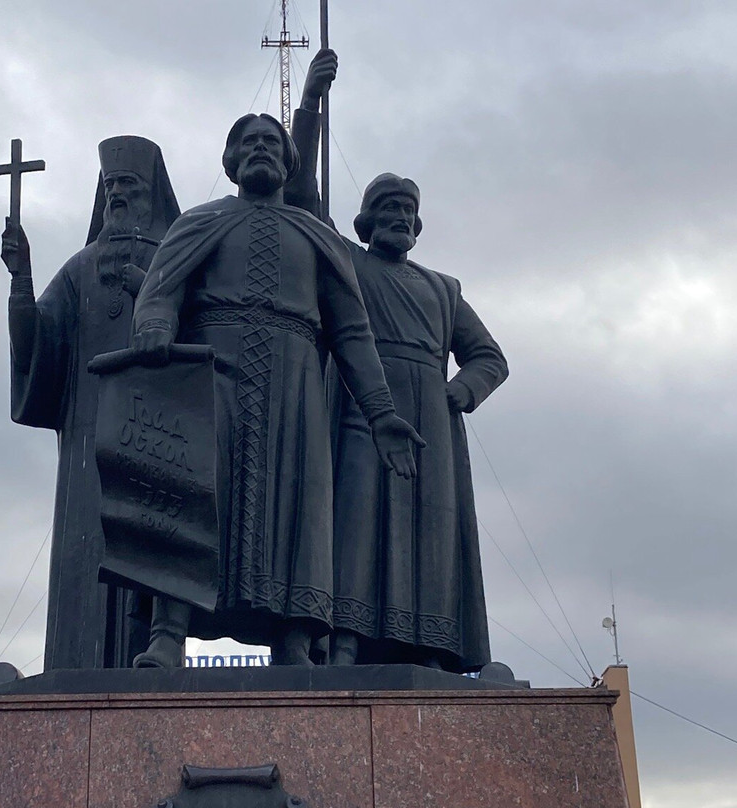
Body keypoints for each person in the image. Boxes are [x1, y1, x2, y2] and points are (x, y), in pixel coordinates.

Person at [127, 113, 424, 667]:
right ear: (231, 160)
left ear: (288, 161)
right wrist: (154, 329)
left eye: (271, 142)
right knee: (193, 497)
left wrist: (381, 413)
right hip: (211, 372)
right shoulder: (199, 222)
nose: (260, 149)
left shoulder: (318, 237)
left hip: (296, 380)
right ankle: (169, 632)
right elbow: (161, 290)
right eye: (248, 142)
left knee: (299, 506)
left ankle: (292, 638)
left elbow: (352, 331)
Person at [292, 52, 509, 671]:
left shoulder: (444, 288)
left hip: (432, 417)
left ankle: (432, 648)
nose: (399, 219)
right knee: (355, 522)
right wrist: (309, 107)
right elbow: (303, 196)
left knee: (430, 535)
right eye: (387, 210)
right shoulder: (347, 261)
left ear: (418, 225)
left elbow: (489, 357)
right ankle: (345, 641)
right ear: (365, 222)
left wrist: (459, 392)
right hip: (363, 400)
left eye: (408, 213)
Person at [2, 136, 181, 670]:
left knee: (148, 553)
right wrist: (21, 277)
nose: (119, 194)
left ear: (152, 195)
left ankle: (147, 657)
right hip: (85, 437)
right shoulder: (79, 269)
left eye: (130, 184)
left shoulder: (174, 264)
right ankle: (72, 668)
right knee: (81, 551)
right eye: (111, 186)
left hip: (154, 434)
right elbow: (38, 342)